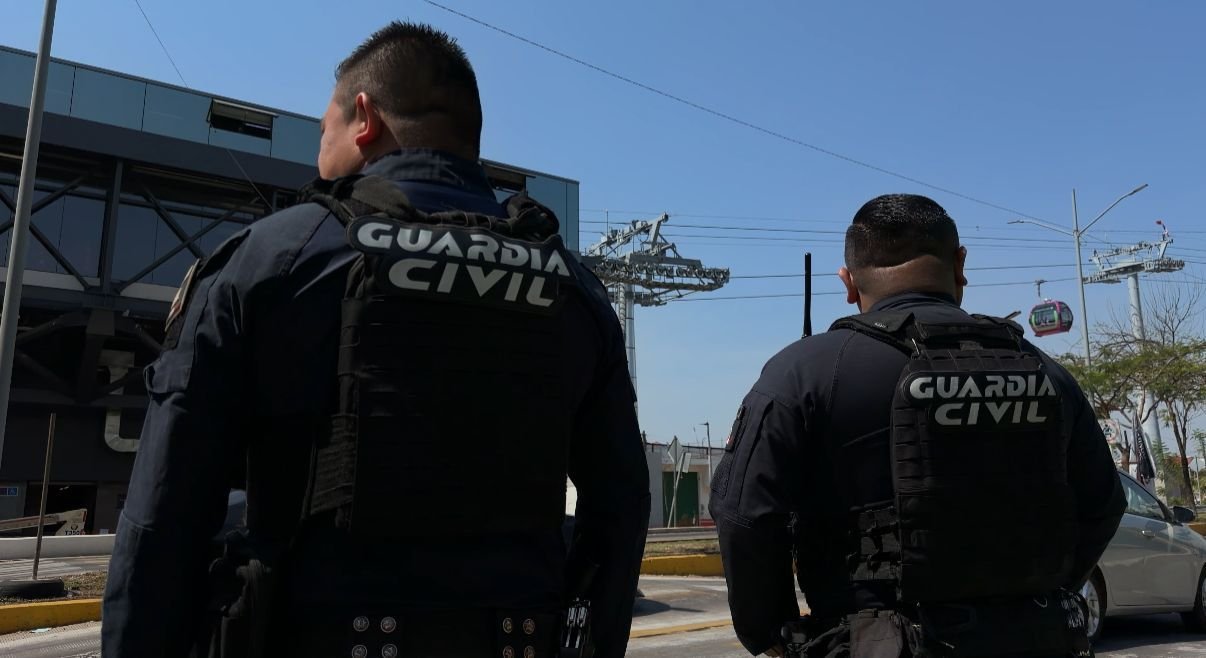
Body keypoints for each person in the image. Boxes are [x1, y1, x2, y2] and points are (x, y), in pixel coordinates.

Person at [102, 21, 650, 658]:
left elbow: (164, 519)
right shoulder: (577, 292)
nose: (319, 150)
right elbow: (620, 511)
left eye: (324, 130)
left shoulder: (271, 262)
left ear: (364, 118)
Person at [709, 194, 1126, 657]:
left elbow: (743, 514)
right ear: (960, 264)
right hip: (1034, 638)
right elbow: (1104, 503)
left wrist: (773, 633)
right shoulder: (1046, 372)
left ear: (848, 282)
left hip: (875, 642)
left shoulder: (804, 373)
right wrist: (1041, 592)